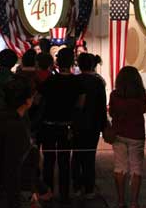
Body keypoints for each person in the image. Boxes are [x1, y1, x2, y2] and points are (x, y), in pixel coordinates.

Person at [39, 48, 85, 202]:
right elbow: (80, 104)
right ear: (72, 62)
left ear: (57, 63)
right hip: (67, 126)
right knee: (64, 161)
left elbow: (40, 100)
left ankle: (48, 191)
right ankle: (65, 194)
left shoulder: (50, 81)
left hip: (49, 124)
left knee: (49, 160)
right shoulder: (77, 82)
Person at [0, 75, 34, 208]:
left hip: (0, 187)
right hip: (13, 192)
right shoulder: (15, 126)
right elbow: (13, 166)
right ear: (27, 101)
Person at [109, 66, 146, 208]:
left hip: (119, 133)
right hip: (136, 133)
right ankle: (134, 202)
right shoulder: (140, 94)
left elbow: (112, 112)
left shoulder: (114, 95)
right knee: (136, 168)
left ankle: (120, 200)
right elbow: (143, 110)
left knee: (120, 167)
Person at [71, 53, 106, 199]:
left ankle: (76, 187)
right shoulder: (98, 82)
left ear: (78, 64)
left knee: (76, 156)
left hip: (76, 124)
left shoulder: (75, 81)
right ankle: (89, 188)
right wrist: (103, 125)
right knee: (90, 157)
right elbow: (102, 106)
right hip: (93, 125)